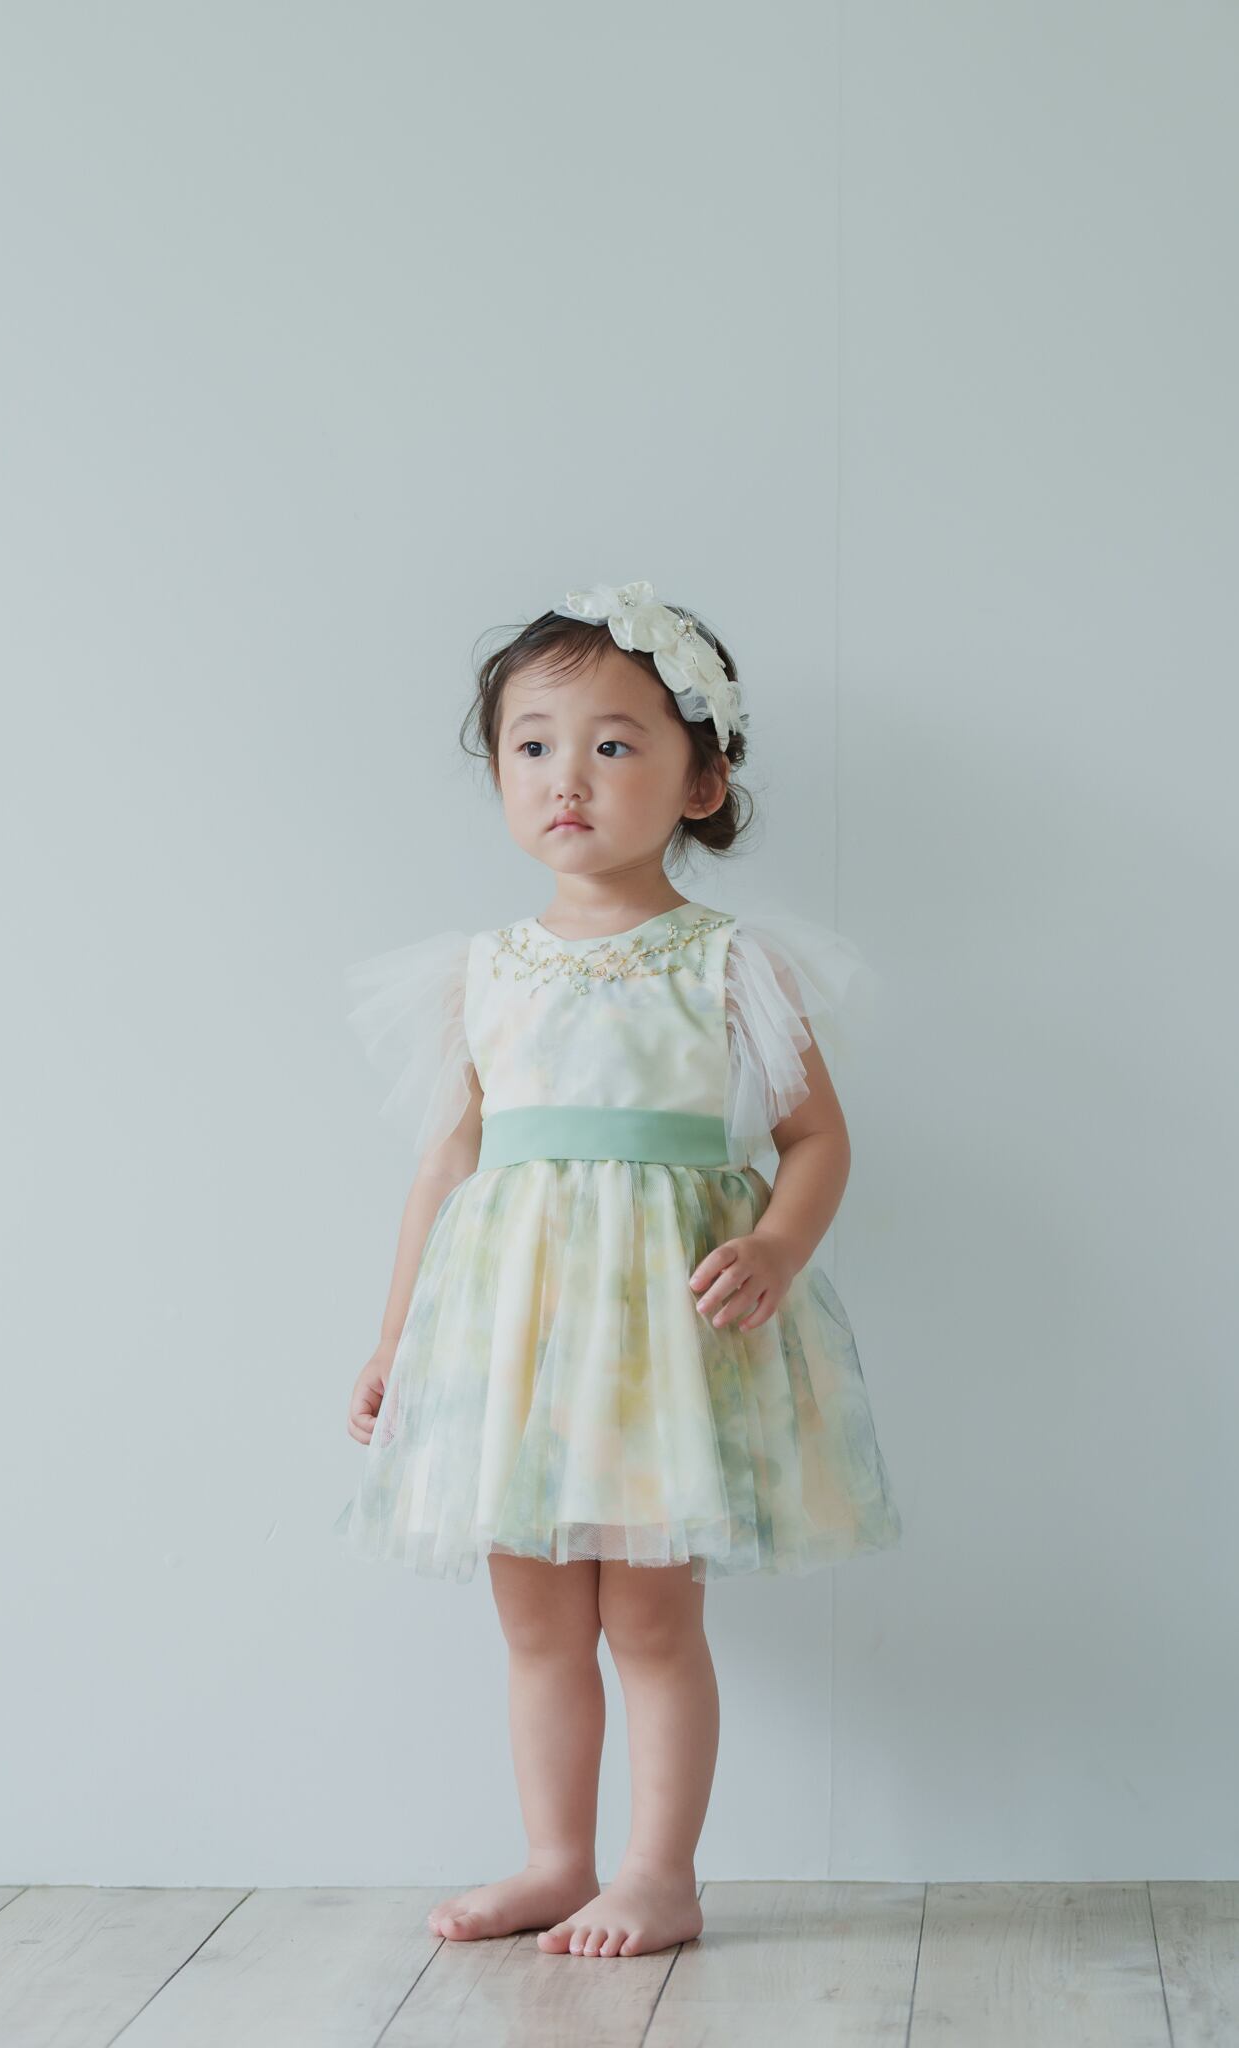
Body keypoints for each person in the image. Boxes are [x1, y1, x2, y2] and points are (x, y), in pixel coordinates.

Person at [333, 578, 903, 1959]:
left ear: (700, 781)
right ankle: (554, 1859)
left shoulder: (727, 963)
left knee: (649, 1616)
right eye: (531, 745)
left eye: (611, 743)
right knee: (535, 1621)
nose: (566, 777)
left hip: (659, 1344)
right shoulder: (479, 972)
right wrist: (396, 1340)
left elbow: (816, 1138)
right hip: (512, 1345)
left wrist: (775, 1244)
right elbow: (444, 1171)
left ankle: (659, 1873)